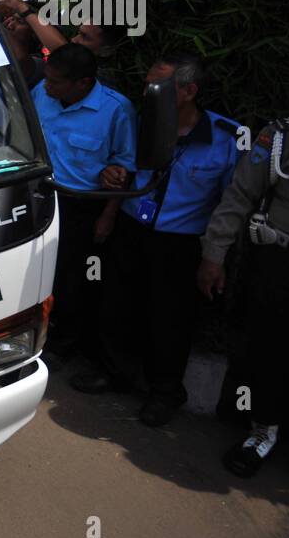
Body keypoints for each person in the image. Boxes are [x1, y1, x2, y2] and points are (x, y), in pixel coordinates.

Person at [71, 53, 240, 426]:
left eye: (156, 86)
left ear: (188, 91)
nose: (146, 91)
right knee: (116, 305)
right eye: (146, 83)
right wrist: (112, 176)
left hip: (178, 243)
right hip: (133, 229)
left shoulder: (224, 139)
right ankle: (115, 373)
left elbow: (233, 204)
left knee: (169, 320)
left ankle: (165, 393)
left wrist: (216, 257)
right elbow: (122, 169)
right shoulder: (142, 123)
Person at [197, 112, 289, 476]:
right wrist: (214, 254)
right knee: (270, 348)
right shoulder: (283, 138)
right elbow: (239, 194)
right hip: (281, 262)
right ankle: (262, 431)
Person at [31, 43, 136, 358]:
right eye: (47, 79)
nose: (47, 86)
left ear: (83, 83)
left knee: (76, 279)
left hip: (82, 207)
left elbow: (126, 167)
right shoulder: (42, 94)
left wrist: (108, 216)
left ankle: (68, 346)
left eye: (55, 82)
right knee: (40, 272)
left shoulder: (116, 110)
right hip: (41, 199)